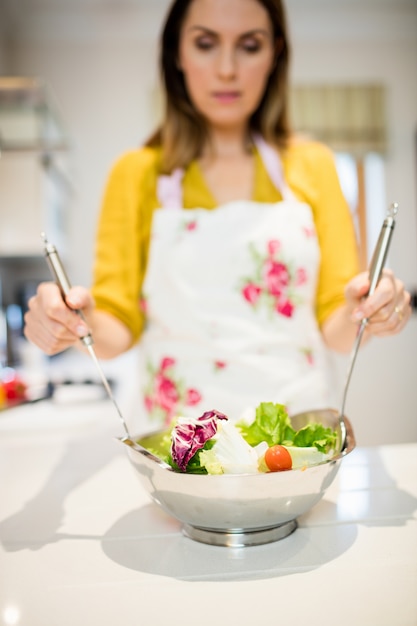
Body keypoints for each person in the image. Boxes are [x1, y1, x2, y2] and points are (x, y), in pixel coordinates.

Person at [24, 0, 411, 429]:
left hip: (294, 439)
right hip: (178, 447)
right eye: (206, 44)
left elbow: (336, 327)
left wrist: (373, 309)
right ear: (177, 54)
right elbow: (117, 326)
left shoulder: (314, 165)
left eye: (249, 45)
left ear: (275, 55)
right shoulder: (136, 173)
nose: (227, 69)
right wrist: (71, 320)